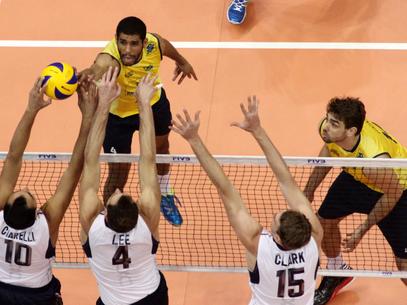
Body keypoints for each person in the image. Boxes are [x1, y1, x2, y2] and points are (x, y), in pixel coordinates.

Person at [171, 96, 322, 305]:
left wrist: (194, 140)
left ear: (277, 238)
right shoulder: (314, 237)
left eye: (274, 221)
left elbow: (226, 191)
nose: (273, 216)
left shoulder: (257, 244)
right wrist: (258, 130)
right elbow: (286, 182)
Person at [79, 16, 198, 227]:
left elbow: (164, 44)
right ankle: (111, 216)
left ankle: (164, 193)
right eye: (122, 42)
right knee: (118, 171)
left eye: (134, 43)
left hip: (152, 104)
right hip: (117, 116)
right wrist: (86, 75)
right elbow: (97, 67)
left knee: (161, 150)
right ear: (116, 40)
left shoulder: (154, 44)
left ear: (144, 43)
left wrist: (182, 61)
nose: (127, 49)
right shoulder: (110, 58)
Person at [0, 76, 96, 304]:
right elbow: (74, 168)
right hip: (37, 297)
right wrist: (88, 117)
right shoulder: (47, 224)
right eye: (30, 194)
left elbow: (13, 157)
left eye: (18, 191)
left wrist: (31, 110)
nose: (23, 186)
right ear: (37, 214)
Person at [303, 97, 407, 305]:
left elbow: (392, 194)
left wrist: (362, 229)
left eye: (334, 124)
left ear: (351, 131)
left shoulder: (375, 161)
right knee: (324, 223)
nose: (326, 127)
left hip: (396, 190)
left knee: (404, 266)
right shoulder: (332, 133)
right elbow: (328, 153)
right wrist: (308, 191)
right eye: (327, 119)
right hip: (357, 178)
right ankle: (336, 271)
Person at [79, 68, 168, 305]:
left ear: (105, 212)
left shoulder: (93, 226)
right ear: (137, 210)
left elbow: (90, 160)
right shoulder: (147, 220)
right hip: (152, 297)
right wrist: (144, 104)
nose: (118, 190)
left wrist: (104, 104)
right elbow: (148, 159)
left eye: (115, 195)